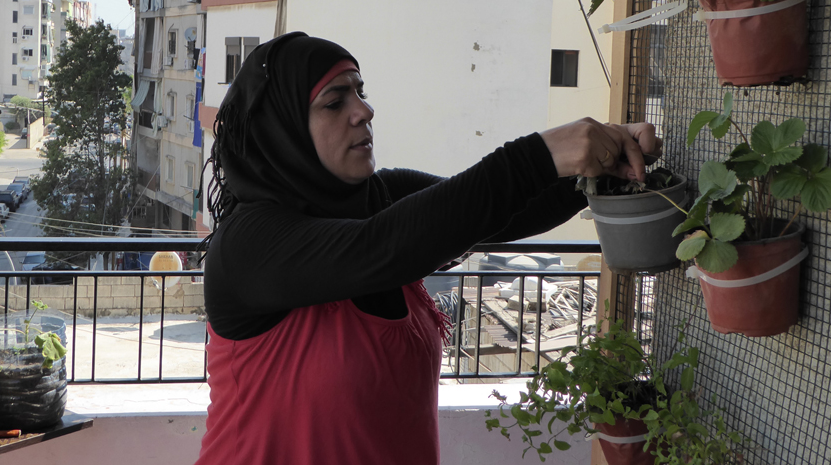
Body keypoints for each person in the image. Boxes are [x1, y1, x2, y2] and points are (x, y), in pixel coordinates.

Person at [195, 32, 661, 465]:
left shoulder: (380, 198)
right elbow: (382, 247)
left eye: (360, 92)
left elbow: (497, 214)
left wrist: (602, 164)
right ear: (283, 131)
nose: (363, 111)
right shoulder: (246, 246)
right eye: (335, 102)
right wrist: (538, 153)